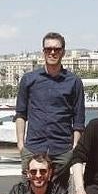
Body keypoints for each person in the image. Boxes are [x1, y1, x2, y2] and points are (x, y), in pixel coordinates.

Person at [15, 32, 85, 185]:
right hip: (33, 149)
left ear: (63, 52)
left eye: (56, 49)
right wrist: (21, 145)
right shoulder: (29, 80)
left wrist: (73, 150)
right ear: (43, 52)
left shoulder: (74, 82)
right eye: (48, 49)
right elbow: (21, 114)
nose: (52, 52)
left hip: (62, 152)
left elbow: (78, 120)